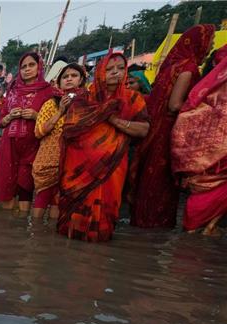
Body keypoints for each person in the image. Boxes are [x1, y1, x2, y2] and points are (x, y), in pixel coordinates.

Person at [130, 24, 216, 229]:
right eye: (209, 42)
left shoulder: (171, 65)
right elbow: (175, 104)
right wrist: (206, 110)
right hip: (168, 133)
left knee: (148, 180)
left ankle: (140, 224)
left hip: (156, 130)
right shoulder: (188, 68)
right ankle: (154, 227)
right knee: (161, 184)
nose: (210, 46)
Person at [58, 51, 149, 242]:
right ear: (100, 72)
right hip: (79, 170)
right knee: (72, 225)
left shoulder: (133, 100)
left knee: (104, 219)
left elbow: (143, 130)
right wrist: (101, 112)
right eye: (109, 69)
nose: (115, 72)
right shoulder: (84, 99)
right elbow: (69, 131)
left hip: (112, 167)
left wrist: (113, 119)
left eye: (120, 68)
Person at [171, 45, 227, 236]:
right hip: (210, 163)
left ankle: (206, 228)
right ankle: (208, 227)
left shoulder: (200, 94)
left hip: (198, 165)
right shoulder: (210, 95)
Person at [0, 52, 55, 211]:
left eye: (31, 65)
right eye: (24, 66)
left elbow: (56, 120)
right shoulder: (12, 91)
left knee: (25, 186)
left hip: (33, 145)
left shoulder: (48, 91)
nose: (27, 69)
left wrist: (36, 115)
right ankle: (8, 230)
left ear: (39, 67)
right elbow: (1, 121)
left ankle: (21, 227)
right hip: (9, 145)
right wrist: (9, 117)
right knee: (7, 188)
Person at [32, 63, 87, 220]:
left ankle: (50, 240)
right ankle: (34, 238)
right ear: (59, 81)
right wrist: (61, 110)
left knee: (58, 201)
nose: (69, 79)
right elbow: (38, 132)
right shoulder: (51, 104)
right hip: (48, 162)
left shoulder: (86, 104)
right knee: (42, 200)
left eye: (74, 76)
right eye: (65, 77)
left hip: (73, 162)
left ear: (81, 80)